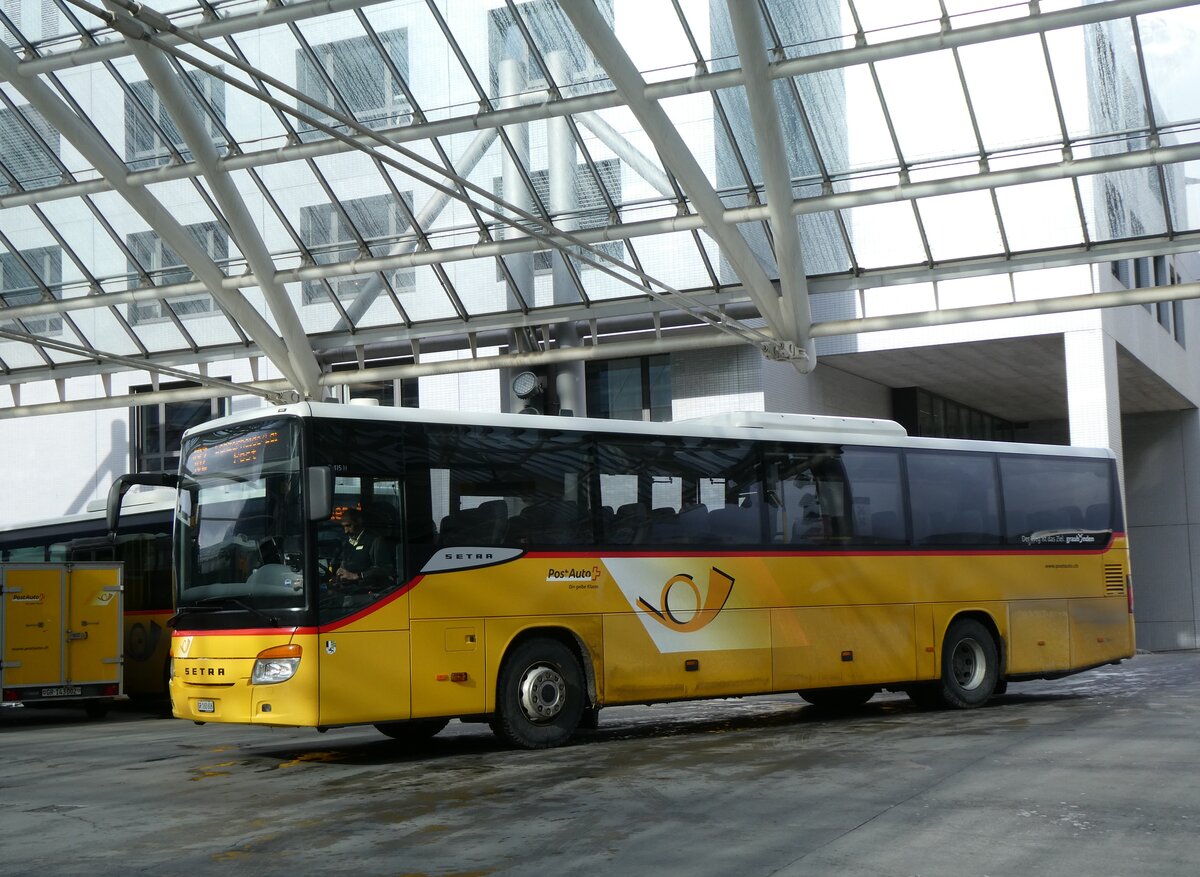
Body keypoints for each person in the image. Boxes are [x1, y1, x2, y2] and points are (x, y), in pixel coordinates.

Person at [333, 508, 392, 589]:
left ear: (359, 521)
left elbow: (385, 569)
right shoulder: (345, 541)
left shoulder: (375, 540)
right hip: (347, 589)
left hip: (368, 591)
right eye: (343, 527)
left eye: (348, 525)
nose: (346, 531)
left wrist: (357, 576)